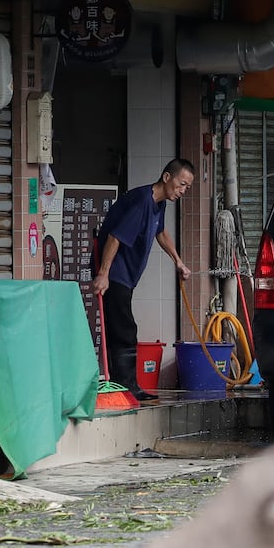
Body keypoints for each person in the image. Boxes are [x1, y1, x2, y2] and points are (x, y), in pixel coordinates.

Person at [91, 158, 195, 401]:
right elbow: (114, 237)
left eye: (187, 188)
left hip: (126, 275)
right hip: (115, 274)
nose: (182, 191)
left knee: (120, 327)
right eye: (181, 185)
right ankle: (126, 387)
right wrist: (104, 274)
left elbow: (160, 232)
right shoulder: (141, 202)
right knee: (124, 329)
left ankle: (124, 386)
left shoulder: (159, 203)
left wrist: (178, 261)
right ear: (167, 177)